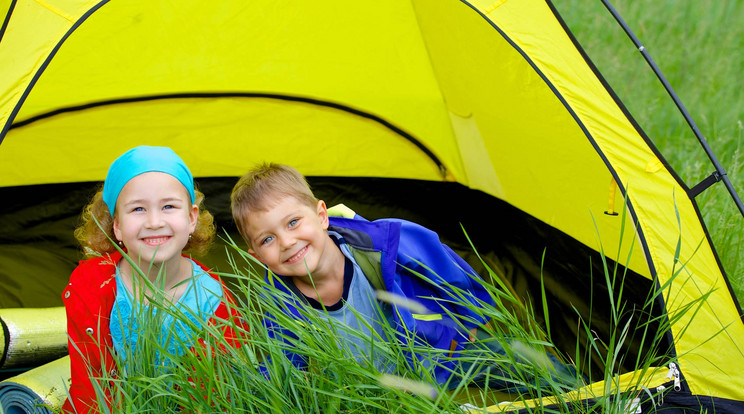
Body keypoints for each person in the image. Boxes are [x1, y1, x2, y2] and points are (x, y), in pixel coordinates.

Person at [230, 163, 579, 393]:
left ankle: (593, 400)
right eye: (267, 239)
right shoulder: (280, 301)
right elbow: (284, 363)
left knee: (515, 362)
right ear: (257, 256)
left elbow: (451, 272)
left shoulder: (386, 243)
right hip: (370, 389)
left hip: (441, 354)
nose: (287, 242)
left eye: (293, 223)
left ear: (321, 216)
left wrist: (469, 324)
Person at [62, 146, 244, 413]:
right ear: (117, 225)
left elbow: (218, 400)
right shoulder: (90, 285)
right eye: (138, 209)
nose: (155, 221)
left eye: (168, 206)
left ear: (191, 218)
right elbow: (88, 391)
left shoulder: (216, 302)